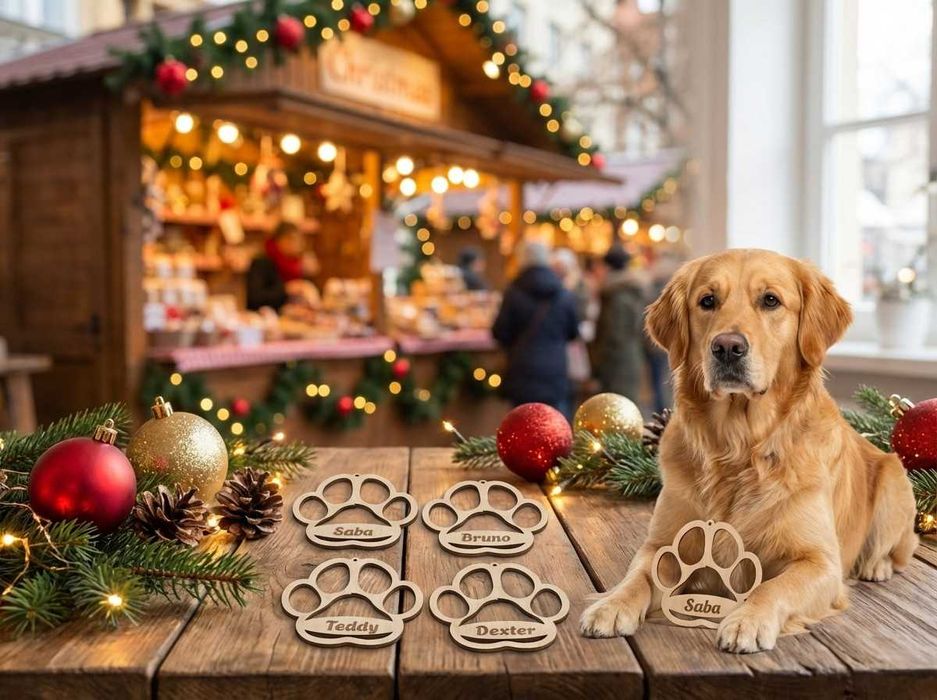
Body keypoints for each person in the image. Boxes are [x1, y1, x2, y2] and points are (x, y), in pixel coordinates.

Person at [492, 241, 580, 417]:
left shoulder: (513, 292)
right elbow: (573, 332)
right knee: (557, 425)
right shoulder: (563, 293)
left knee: (521, 426)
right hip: (555, 370)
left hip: (522, 369)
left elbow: (499, 332)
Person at [591, 243, 648, 401]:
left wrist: (598, 364)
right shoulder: (629, 289)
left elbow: (614, 335)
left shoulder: (617, 295)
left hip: (617, 363)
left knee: (618, 408)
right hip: (630, 356)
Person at [246, 221, 318, 311]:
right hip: (264, 318)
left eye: (298, 240)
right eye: (292, 239)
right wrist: (286, 289)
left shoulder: (296, 263)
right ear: (279, 240)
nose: (296, 244)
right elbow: (255, 299)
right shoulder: (262, 263)